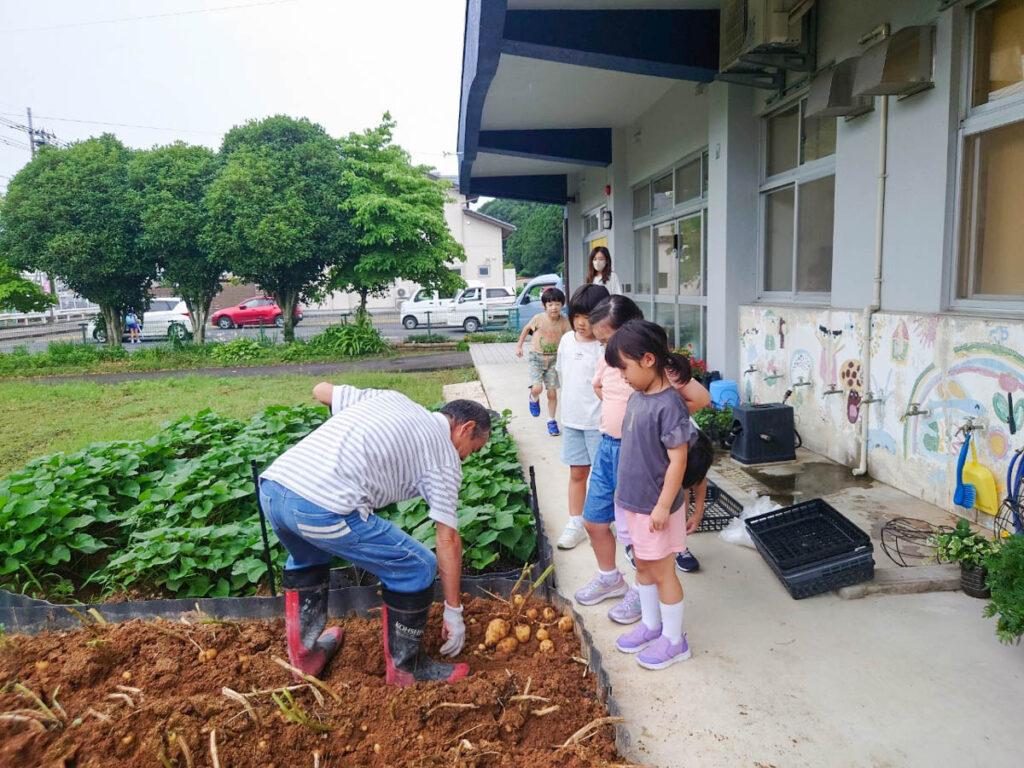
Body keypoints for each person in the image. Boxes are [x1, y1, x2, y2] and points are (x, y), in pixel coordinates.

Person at [258, 383, 492, 686]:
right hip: (320, 508)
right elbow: (447, 539)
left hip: (274, 489)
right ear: (466, 428)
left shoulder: (394, 398)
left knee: (308, 558)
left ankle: (305, 659)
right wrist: (453, 611)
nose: (466, 458)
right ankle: (408, 671)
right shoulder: (444, 457)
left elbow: (320, 391)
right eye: (473, 450)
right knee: (417, 566)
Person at [575, 295, 710, 625]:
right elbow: (599, 388)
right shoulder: (615, 367)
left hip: (637, 454)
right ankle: (610, 578)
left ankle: (641, 590)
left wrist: (662, 427)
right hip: (608, 449)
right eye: (604, 343)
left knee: (642, 537)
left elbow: (700, 398)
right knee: (594, 521)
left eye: (608, 340)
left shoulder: (658, 372)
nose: (608, 351)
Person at [604, 319, 713, 670]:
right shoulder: (639, 396)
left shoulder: (670, 405)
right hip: (632, 503)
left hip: (656, 508)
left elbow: (678, 461)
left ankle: (674, 640)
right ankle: (651, 625)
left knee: (664, 570)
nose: (622, 375)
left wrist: (665, 505)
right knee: (643, 566)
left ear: (648, 359)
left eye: (625, 367)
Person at [554, 283, 610, 550]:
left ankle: (605, 523)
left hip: (600, 424)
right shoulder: (566, 341)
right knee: (577, 472)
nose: (581, 323)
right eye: (576, 316)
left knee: (604, 477)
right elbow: (564, 375)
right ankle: (575, 522)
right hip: (572, 421)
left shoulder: (606, 348)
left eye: (588, 318)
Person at [515, 287, 571, 436]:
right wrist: (519, 346)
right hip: (536, 358)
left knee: (552, 393)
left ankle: (551, 421)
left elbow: (571, 339)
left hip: (553, 360)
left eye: (557, 304)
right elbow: (526, 329)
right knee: (538, 388)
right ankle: (533, 397)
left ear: (562, 305)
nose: (554, 307)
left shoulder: (565, 322)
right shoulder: (539, 318)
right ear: (544, 305)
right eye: (550, 304)